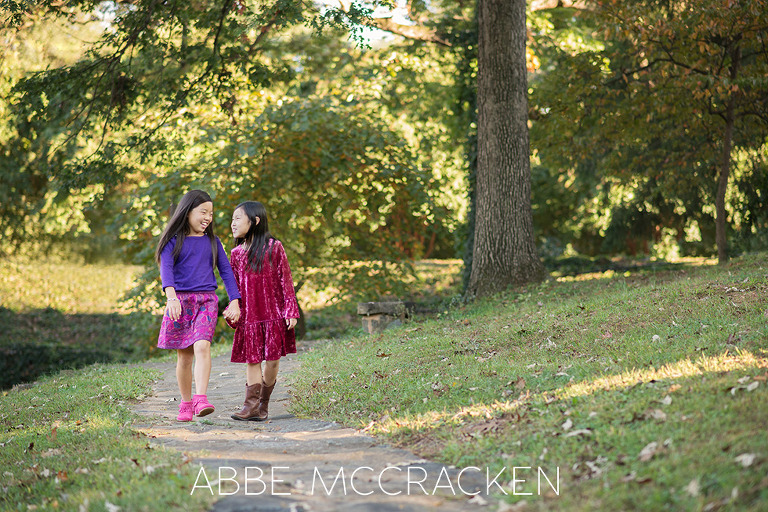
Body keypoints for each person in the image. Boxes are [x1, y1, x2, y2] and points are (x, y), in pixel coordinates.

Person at [155, 189, 241, 422]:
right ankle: (185, 402)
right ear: (187, 211)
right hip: (180, 302)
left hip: (206, 301)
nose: (208, 217)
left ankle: (201, 398)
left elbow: (226, 272)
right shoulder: (172, 241)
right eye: (203, 212)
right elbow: (167, 271)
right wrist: (171, 297)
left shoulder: (213, 242)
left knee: (202, 346)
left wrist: (235, 300)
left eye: (211, 213)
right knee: (184, 357)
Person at [227, 201, 299, 421]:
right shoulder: (236, 253)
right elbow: (235, 286)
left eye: (238, 218)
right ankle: (250, 406)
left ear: (255, 221)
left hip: (274, 314)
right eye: (232, 219)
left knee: (273, 361)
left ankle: (263, 405)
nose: (233, 223)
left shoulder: (274, 247)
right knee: (253, 359)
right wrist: (233, 306)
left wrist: (290, 309)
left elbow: (285, 279)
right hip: (250, 316)